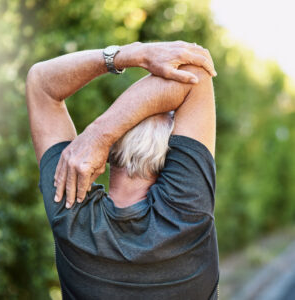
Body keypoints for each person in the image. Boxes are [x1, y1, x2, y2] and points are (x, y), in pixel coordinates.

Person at [26, 40, 219, 299]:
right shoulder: (187, 209)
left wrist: (129, 55)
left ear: (110, 149)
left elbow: (40, 83)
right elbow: (194, 74)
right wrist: (100, 134)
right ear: (176, 159)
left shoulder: (70, 211)